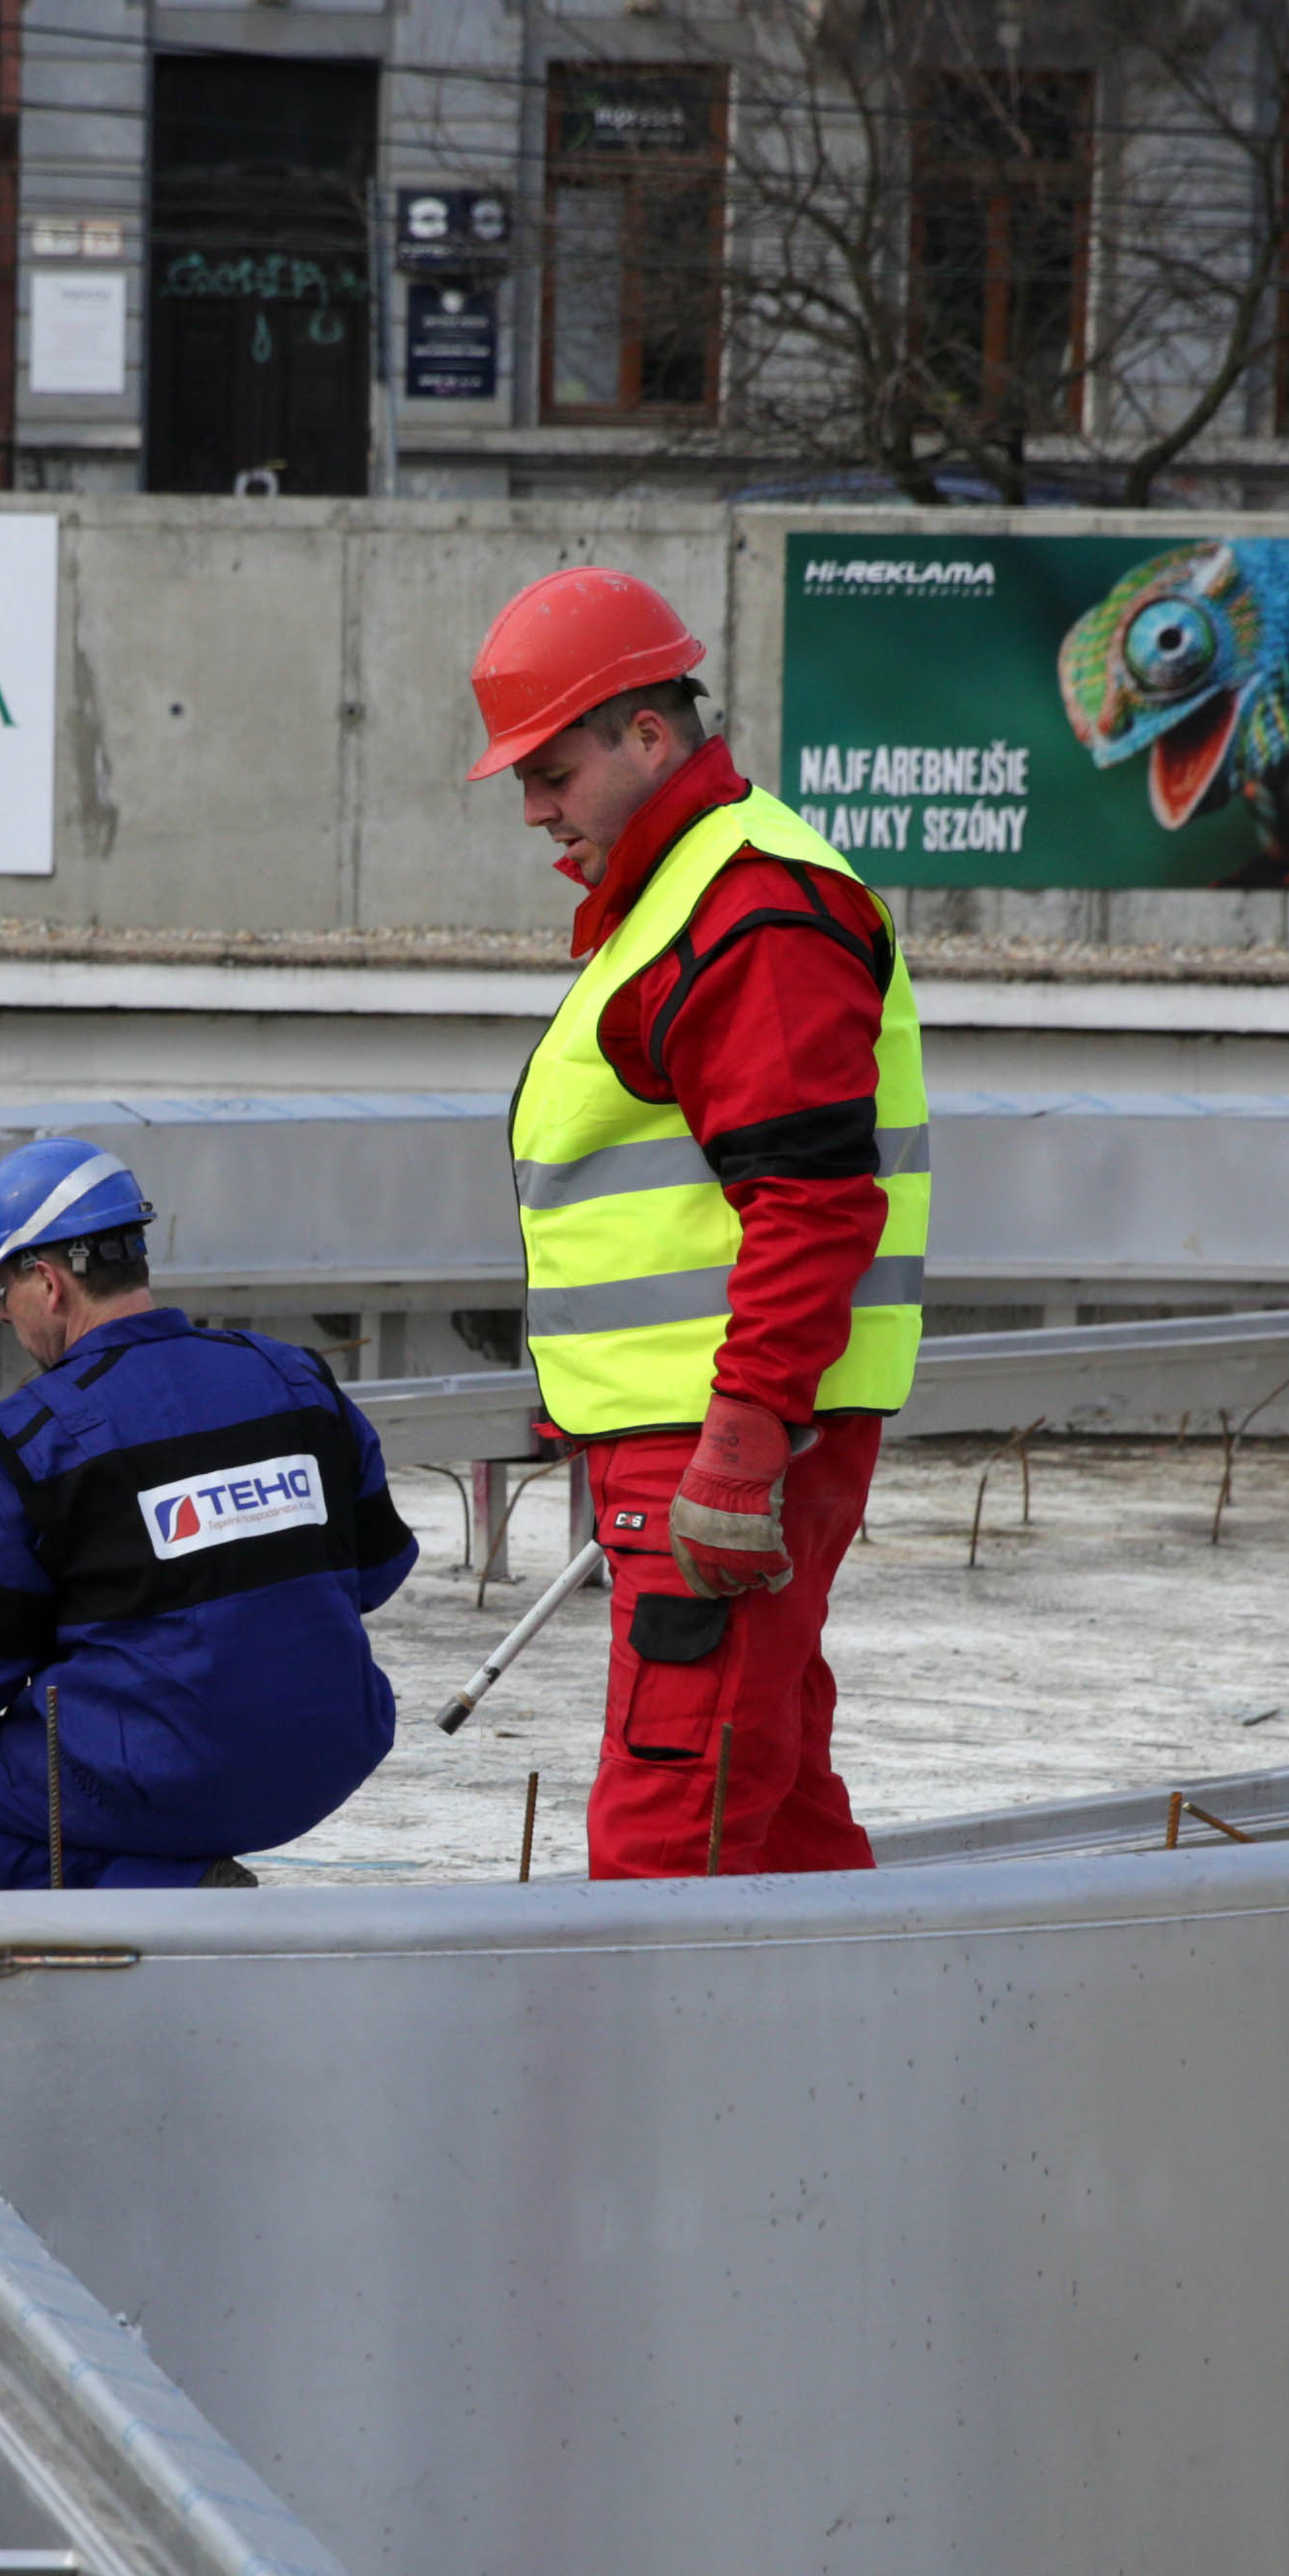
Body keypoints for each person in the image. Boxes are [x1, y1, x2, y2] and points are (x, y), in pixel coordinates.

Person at [466, 567, 934, 1881]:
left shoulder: (747, 909)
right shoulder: (690, 900)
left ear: (650, 736)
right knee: (769, 1799)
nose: (534, 809)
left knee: (673, 1824)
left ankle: (641, 2089)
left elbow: (810, 1200)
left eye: (552, 772)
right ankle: (862, 2067)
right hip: (709, 1433)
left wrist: (737, 1445)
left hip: (725, 1442)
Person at [0, 1139, 414, 1894]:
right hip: (334, 1749)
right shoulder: (291, 1375)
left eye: (3, 1284)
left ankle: (169, 1888)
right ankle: (180, 1865)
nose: (1, 1310)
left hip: (161, 1777)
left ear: (49, 1282)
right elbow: (382, 1568)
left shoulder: (37, 1435)